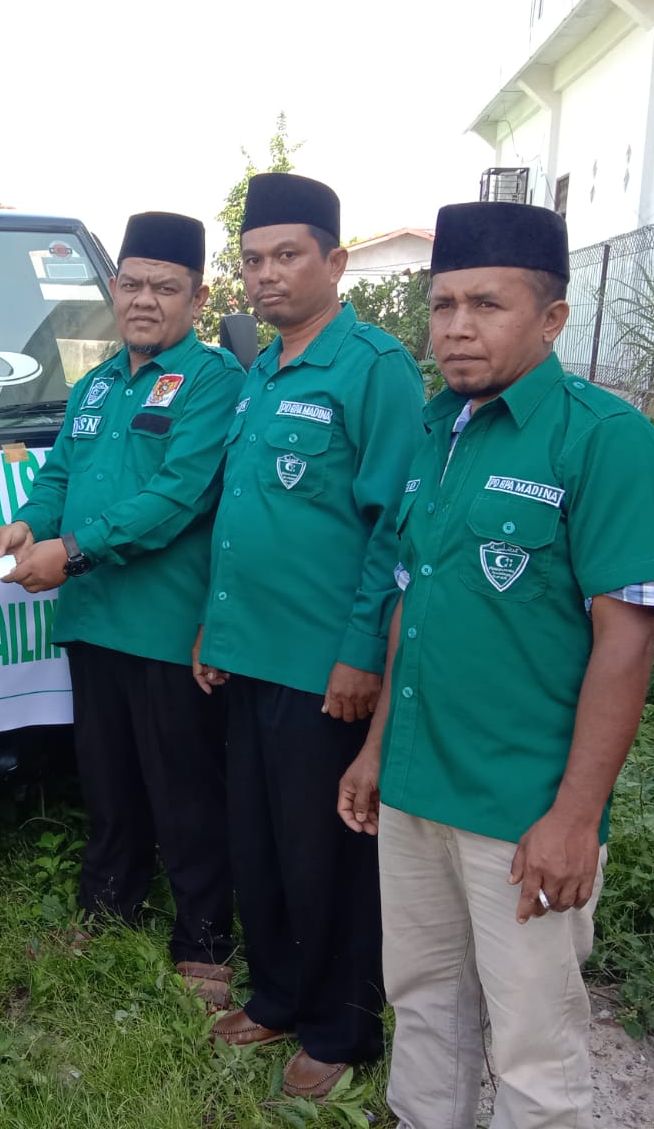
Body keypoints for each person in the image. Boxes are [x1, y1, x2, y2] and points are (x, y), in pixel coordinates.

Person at [336, 201, 654, 1128]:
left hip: (522, 806)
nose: (455, 328)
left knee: (533, 1041)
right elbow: (416, 597)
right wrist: (375, 751)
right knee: (423, 1005)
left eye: (486, 305)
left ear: (553, 318)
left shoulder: (604, 440)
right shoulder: (434, 429)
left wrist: (574, 818)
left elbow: (626, 641)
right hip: (417, 786)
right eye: (442, 305)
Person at [194, 173, 424, 1098]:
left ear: (334, 261)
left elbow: (394, 527)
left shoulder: (374, 369)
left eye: (288, 256)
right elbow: (241, 515)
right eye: (253, 260)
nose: (267, 275)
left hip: (322, 665)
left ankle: (341, 1028)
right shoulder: (261, 367)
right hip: (247, 654)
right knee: (258, 841)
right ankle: (280, 994)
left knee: (326, 853)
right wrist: (215, 626)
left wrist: (362, 651)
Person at [0, 212, 245, 1004]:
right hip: (93, 620)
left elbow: (177, 498)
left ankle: (204, 941)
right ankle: (108, 910)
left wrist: (71, 552)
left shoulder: (213, 383)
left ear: (197, 300)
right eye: (130, 284)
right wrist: (32, 522)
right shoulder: (95, 384)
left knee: (185, 788)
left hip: (165, 627)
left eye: (165, 288)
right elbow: (60, 476)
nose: (143, 301)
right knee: (107, 780)